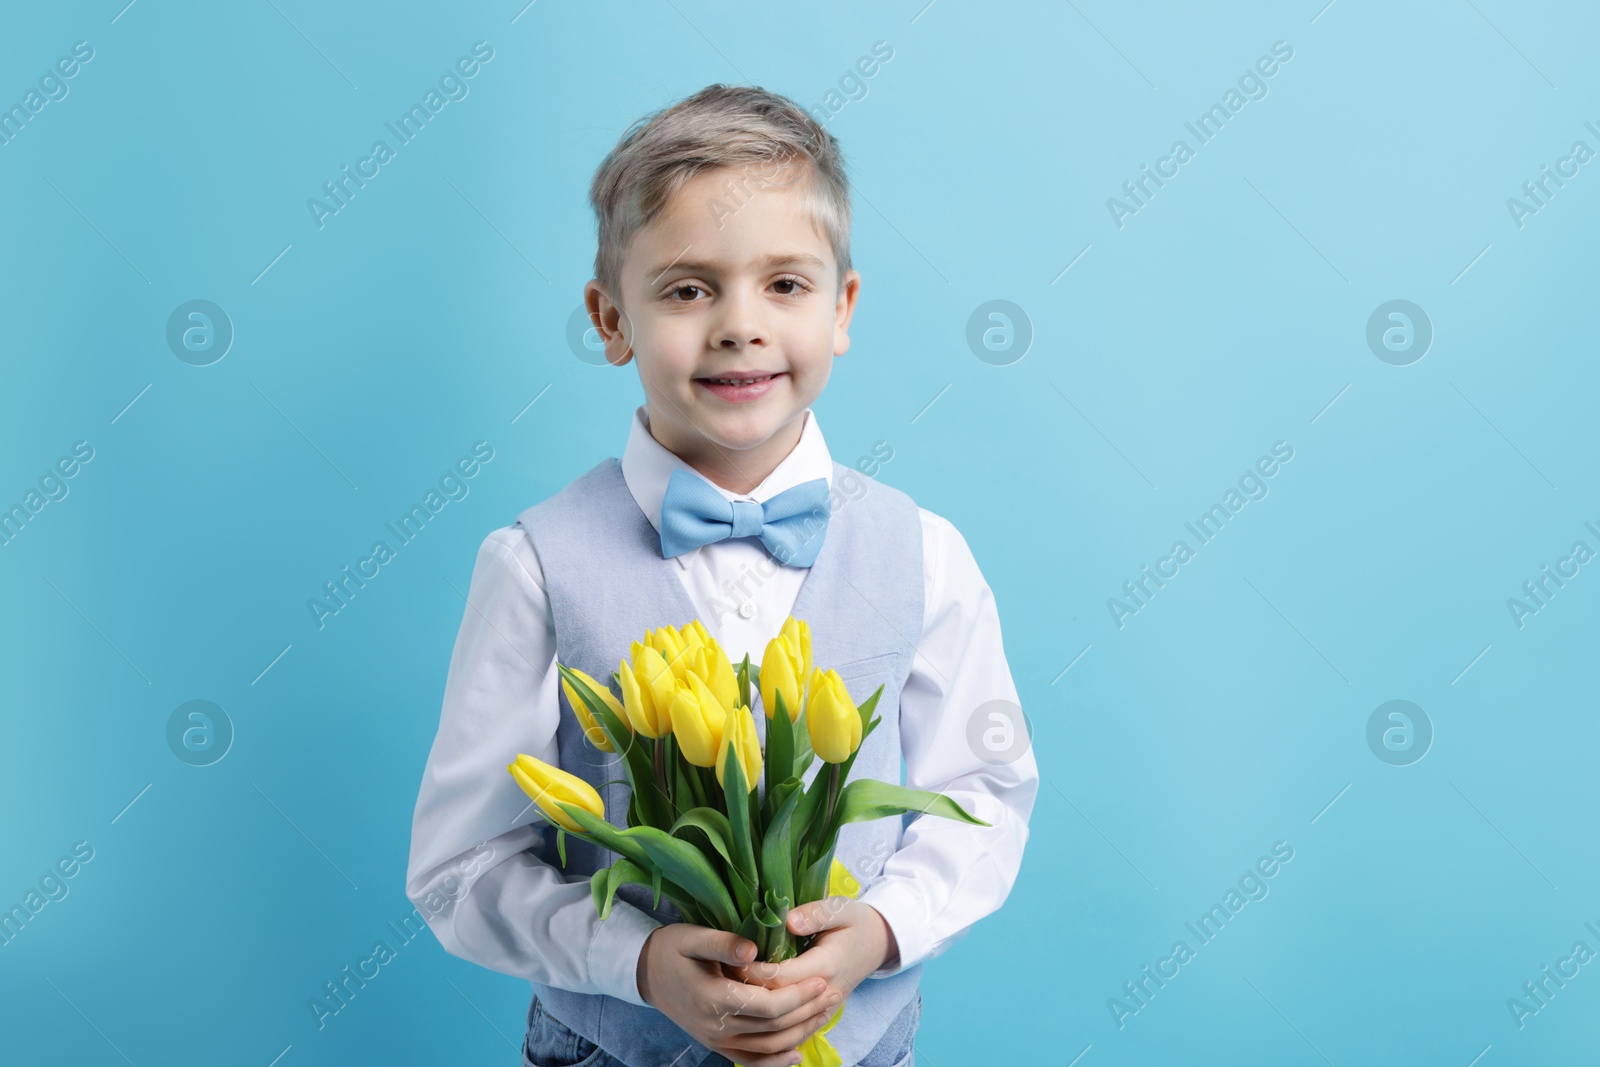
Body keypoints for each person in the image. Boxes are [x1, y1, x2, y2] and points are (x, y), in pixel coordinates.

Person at [406, 83, 1038, 1067]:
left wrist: (878, 930)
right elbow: (457, 865)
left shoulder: (924, 553)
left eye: (784, 284)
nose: (740, 324)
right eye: (688, 287)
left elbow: (986, 791)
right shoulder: (533, 564)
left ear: (843, 308)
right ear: (609, 318)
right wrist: (641, 958)